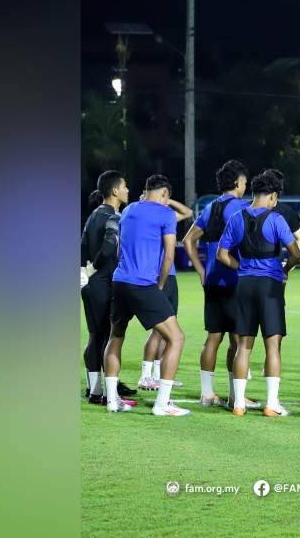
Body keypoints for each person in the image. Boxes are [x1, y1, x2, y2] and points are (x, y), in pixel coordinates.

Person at [217, 170, 300, 417]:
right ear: (273, 196)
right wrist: (284, 268)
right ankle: (271, 404)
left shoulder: (236, 217)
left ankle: (239, 404)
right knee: (272, 346)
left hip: (244, 286)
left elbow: (222, 255)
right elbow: (295, 252)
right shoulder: (276, 220)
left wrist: (241, 267)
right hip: (270, 286)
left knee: (243, 345)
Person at [105, 174, 190, 416]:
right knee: (176, 338)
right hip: (144, 284)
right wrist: (160, 286)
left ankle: (113, 400)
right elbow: (170, 256)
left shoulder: (130, 209)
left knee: (116, 337)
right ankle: (162, 404)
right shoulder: (164, 214)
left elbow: (120, 247)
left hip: (120, 281)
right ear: (165, 195)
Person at [182, 159, 260, 408]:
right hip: (235, 279)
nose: (246, 186)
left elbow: (188, 240)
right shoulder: (241, 208)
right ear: (238, 182)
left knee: (213, 337)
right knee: (238, 339)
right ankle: (235, 396)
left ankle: (207, 394)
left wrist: (201, 270)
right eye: (245, 182)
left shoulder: (211, 207)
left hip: (213, 279)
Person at [80, 171, 136, 405]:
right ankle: (101, 391)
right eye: (124, 186)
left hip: (90, 283)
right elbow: (109, 246)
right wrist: (95, 268)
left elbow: (82, 247)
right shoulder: (113, 216)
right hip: (102, 282)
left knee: (96, 336)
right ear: (114, 191)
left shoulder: (94, 214)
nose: (127, 190)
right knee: (106, 337)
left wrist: (85, 271)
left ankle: (95, 390)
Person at [136, 191, 193, 391]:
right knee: (157, 330)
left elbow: (187, 212)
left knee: (167, 331)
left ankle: (160, 376)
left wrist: (167, 200)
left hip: (171, 276)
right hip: (156, 275)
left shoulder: (164, 216)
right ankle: (145, 376)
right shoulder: (139, 218)